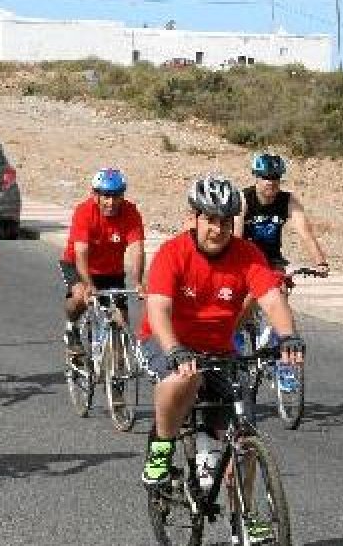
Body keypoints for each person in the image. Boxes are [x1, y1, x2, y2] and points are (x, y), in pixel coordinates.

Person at [137, 175, 303, 491]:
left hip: (218, 349)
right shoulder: (172, 254)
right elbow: (158, 310)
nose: (218, 229)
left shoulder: (247, 254)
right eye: (210, 220)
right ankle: (160, 448)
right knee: (185, 377)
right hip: (166, 341)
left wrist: (288, 336)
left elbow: (271, 299)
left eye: (225, 222)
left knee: (244, 435)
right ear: (193, 218)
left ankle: (245, 522)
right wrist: (174, 349)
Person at [59, 168, 145, 359]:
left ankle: (116, 373)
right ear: (95, 195)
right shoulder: (84, 212)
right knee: (80, 296)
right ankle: (72, 327)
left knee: (121, 322)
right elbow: (81, 252)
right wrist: (89, 285)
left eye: (117, 196)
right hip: (78, 264)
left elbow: (137, 250)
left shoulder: (131, 212)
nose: (111, 202)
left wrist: (138, 282)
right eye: (106, 196)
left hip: (111, 270)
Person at [235, 152, 328, 273]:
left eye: (275, 177)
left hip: (273, 259)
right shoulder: (244, 199)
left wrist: (321, 262)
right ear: (256, 177)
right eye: (266, 177)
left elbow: (305, 233)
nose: (271, 182)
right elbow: (236, 236)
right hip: (246, 257)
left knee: (281, 287)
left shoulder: (288, 200)